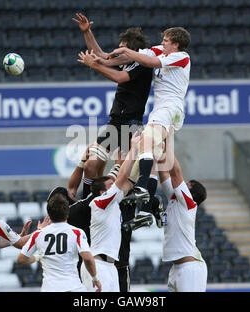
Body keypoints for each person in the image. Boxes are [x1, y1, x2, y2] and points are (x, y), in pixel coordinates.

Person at [72, 13, 153, 199]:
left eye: (122, 48)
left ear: (132, 51)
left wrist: (94, 66)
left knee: (121, 178)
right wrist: (87, 32)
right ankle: (88, 204)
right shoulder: (127, 62)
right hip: (115, 123)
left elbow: (118, 77)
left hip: (130, 125)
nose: (118, 50)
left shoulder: (142, 65)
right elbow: (102, 56)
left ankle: (118, 210)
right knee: (91, 165)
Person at [107, 27, 192, 203]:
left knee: (145, 143)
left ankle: (141, 186)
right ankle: (147, 208)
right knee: (157, 155)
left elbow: (150, 63)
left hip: (169, 108)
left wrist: (124, 49)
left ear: (176, 44)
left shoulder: (182, 56)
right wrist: (101, 59)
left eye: (166, 41)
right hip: (166, 112)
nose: (162, 43)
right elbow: (130, 58)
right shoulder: (159, 51)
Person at [80, 132, 142, 292]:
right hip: (97, 266)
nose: (114, 184)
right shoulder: (99, 202)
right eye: (110, 184)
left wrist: (146, 156)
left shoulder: (112, 202)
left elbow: (129, 182)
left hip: (110, 266)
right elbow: (122, 179)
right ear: (102, 191)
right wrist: (133, 149)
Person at [17, 193, 102, 292]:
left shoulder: (38, 234)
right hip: (73, 287)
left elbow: (21, 259)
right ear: (67, 212)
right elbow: (87, 258)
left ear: (49, 214)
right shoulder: (77, 232)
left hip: (49, 288)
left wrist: (37, 257)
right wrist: (95, 278)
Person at [157, 148, 208, 292]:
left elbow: (175, 172)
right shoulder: (175, 200)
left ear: (190, 191)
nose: (183, 183)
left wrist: (167, 144)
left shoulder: (189, 203)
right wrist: (159, 153)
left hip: (190, 269)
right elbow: (164, 174)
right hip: (177, 268)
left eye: (187, 183)